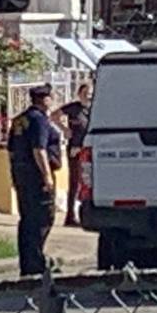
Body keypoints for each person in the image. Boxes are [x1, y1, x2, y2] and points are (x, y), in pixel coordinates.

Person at [7, 84, 57, 276]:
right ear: (44, 99)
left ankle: (27, 263)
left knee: (27, 219)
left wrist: (14, 174)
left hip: (22, 174)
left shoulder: (20, 120)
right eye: (50, 97)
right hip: (36, 177)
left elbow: (11, 151)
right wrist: (47, 177)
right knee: (43, 218)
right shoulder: (39, 120)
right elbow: (39, 150)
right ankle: (36, 261)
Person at [56, 82, 93, 226]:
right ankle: (70, 215)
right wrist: (64, 129)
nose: (87, 96)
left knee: (89, 183)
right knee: (75, 182)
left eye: (89, 93)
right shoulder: (74, 108)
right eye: (85, 93)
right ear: (79, 94)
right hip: (75, 149)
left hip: (90, 149)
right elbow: (54, 115)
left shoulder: (95, 108)